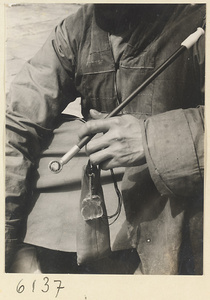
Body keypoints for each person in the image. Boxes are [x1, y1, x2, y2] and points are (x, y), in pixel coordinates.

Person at [6, 4, 205, 275]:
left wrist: (149, 138)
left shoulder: (197, 23)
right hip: (102, 188)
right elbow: (16, 124)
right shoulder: (77, 28)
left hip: (175, 192)